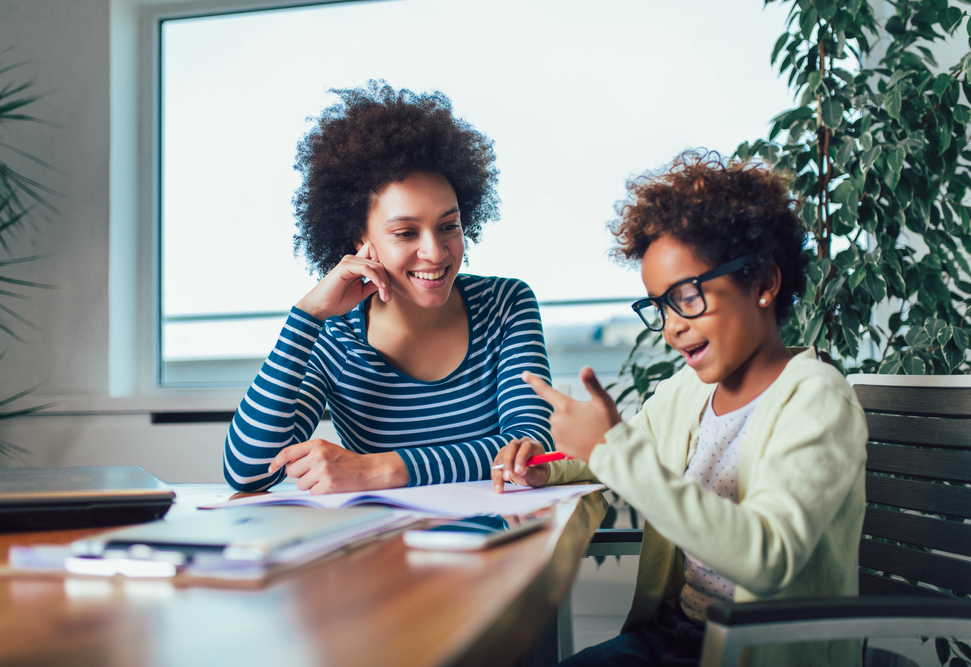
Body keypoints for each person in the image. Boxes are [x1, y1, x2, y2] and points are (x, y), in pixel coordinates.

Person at [492, 151, 868, 666]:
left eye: (687, 297)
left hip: (755, 653)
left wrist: (611, 449)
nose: (671, 327)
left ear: (763, 283)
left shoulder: (817, 399)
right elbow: (622, 454)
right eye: (659, 306)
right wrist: (545, 467)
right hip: (672, 635)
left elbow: (768, 557)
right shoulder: (687, 391)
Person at [224, 82, 553, 494]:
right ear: (359, 239)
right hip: (382, 550)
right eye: (405, 232)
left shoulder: (505, 305)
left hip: (499, 546)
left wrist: (379, 469)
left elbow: (528, 452)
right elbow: (250, 473)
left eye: (448, 226)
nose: (434, 252)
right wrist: (305, 318)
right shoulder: (336, 335)